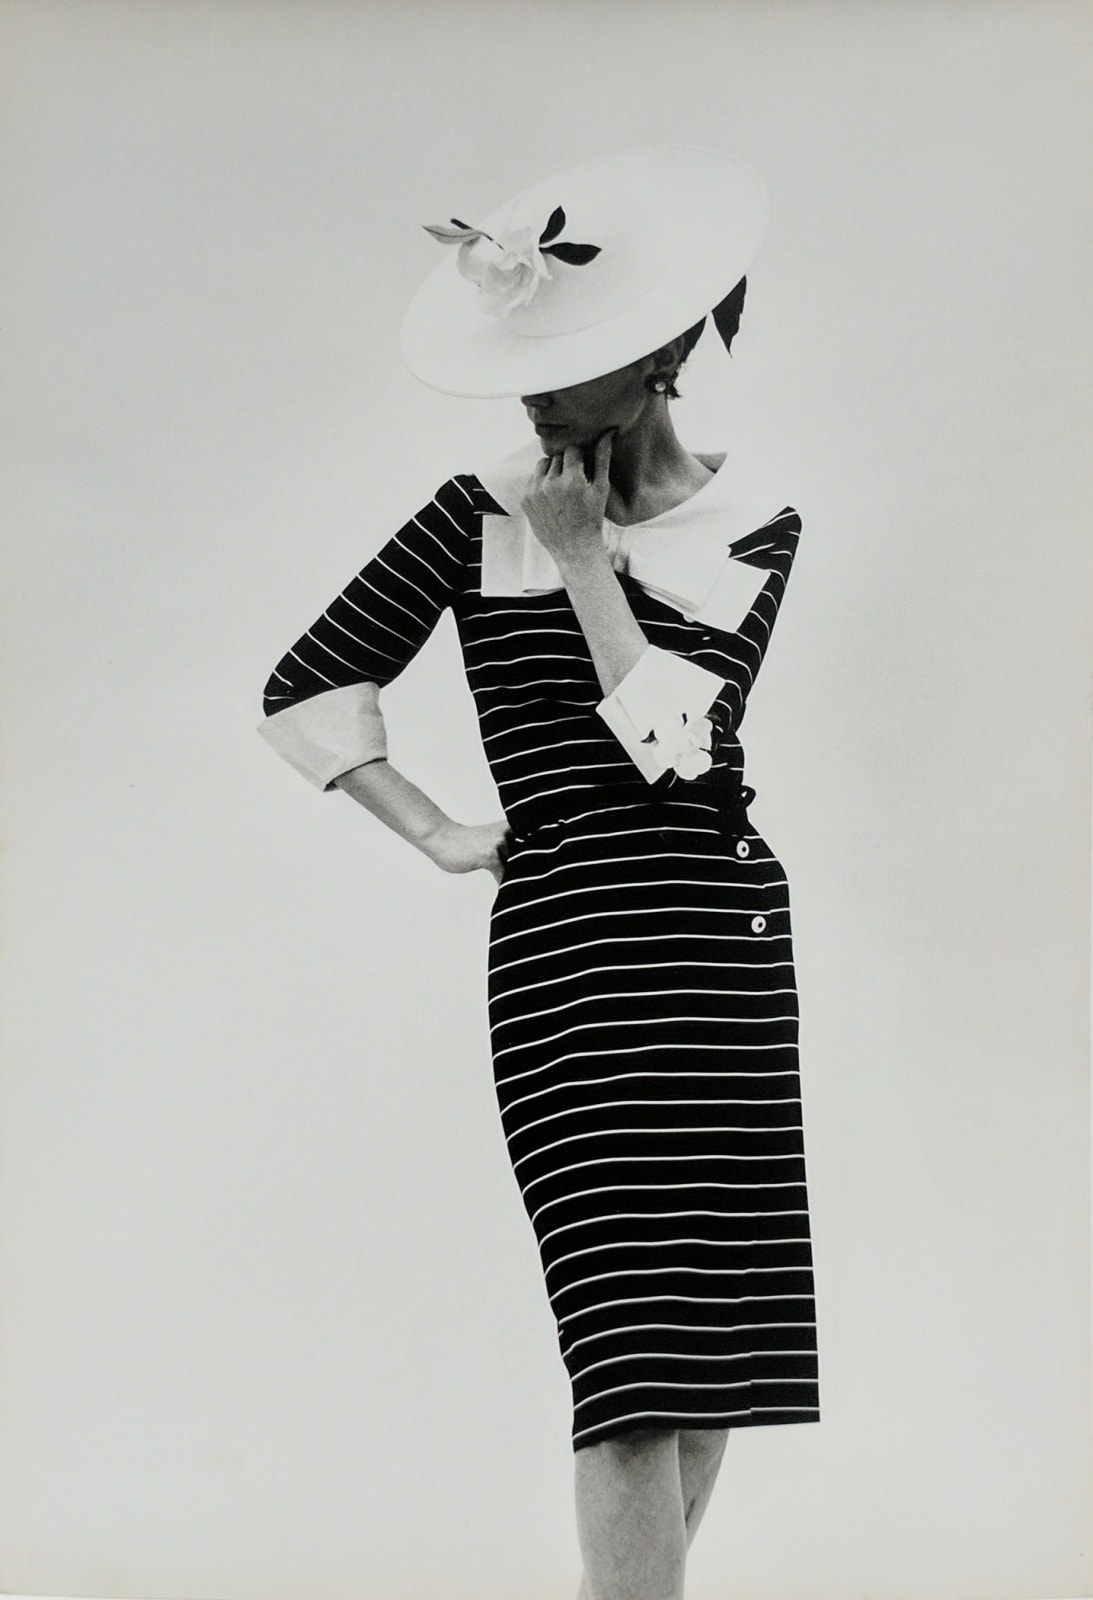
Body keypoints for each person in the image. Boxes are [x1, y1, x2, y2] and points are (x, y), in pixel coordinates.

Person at [259, 147, 819, 1600]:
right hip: (569, 948)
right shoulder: (471, 510)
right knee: (628, 1364)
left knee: (706, 1370)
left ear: (650, 362)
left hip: (714, 934)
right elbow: (308, 688)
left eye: (562, 366)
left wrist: (582, 566)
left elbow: (673, 754)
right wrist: (442, 831)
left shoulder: (754, 526)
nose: (528, 393)